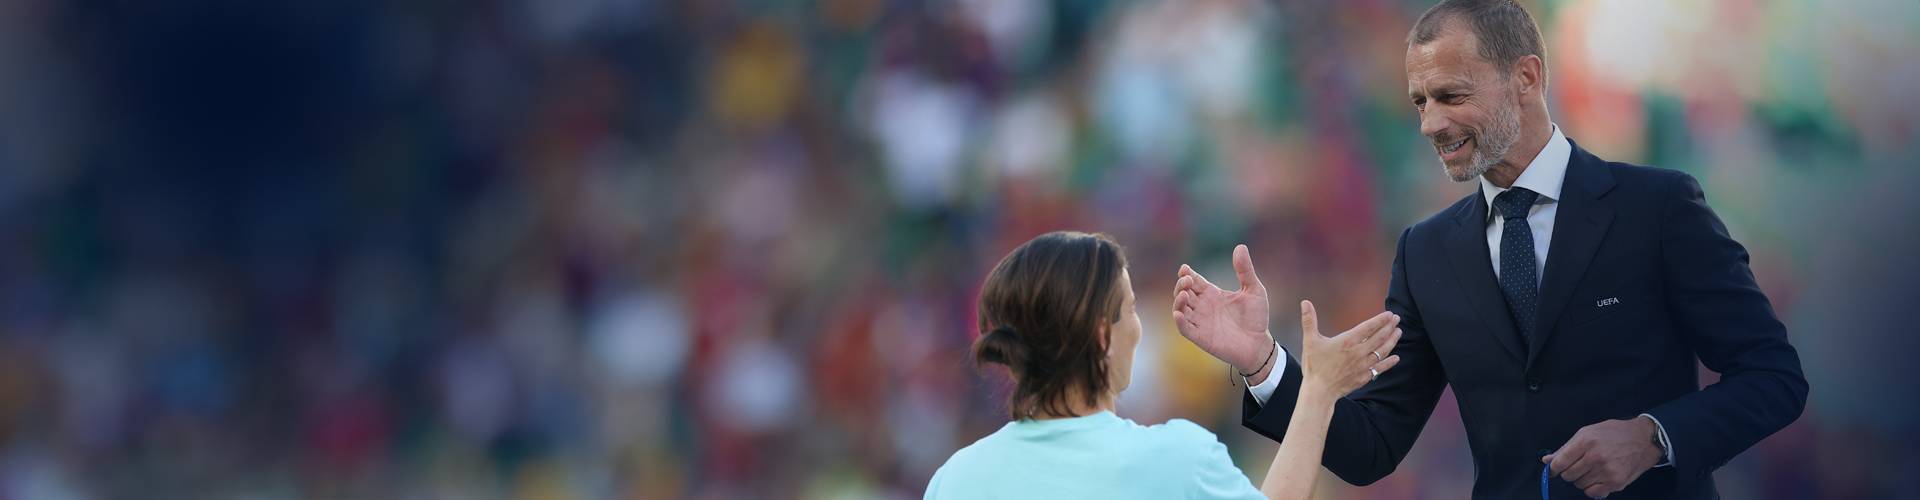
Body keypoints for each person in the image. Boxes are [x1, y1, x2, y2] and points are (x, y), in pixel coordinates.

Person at [1172, 1, 1808, 498]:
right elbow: (1370, 448)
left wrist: (1655, 437)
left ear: (1527, 76)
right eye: (1420, 102)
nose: (1430, 125)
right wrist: (1261, 363)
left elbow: (1775, 377)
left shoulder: (1659, 208)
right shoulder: (1425, 253)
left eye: (1452, 96)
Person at [927, 231, 1404, 500]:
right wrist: (1318, 389)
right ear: (1102, 334)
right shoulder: (1173, 459)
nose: (1140, 328)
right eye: (1132, 309)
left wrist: (1266, 363)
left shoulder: (954, 480)